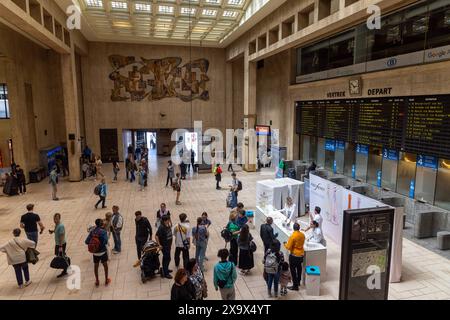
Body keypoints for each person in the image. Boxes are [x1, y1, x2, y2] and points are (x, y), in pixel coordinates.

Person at [85, 219, 111, 286]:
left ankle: (97, 280)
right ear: (101, 224)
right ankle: (106, 280)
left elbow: (86, 241)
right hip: (102, 252)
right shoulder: (103, 232)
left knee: (96, 266)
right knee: (105, 266)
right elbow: (105, 241)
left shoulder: (92, 231)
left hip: (95, 253)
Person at [283, 222, 305, 291]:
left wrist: (285, 244)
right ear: (299, 228)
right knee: (299, 268)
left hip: (294, 255)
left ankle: (295, 286)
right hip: (301, 254)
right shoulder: (302, 235)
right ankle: (298, 281)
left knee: (293, 270)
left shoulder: (292, 236)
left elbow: (289, 247)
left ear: (293, 228)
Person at [49, 213, 68, 278]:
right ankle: (65, 267)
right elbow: (56, 231)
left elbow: (62, 236)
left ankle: (65, 269)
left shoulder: (61, 226)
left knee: (61, 256)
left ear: (59, 218)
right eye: (54, 219)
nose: (55, 220)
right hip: (58, 244)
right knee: (60, 255)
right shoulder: (57, 225)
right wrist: (52, 231)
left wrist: (60, 246)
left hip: (61, 244)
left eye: (56, 219)